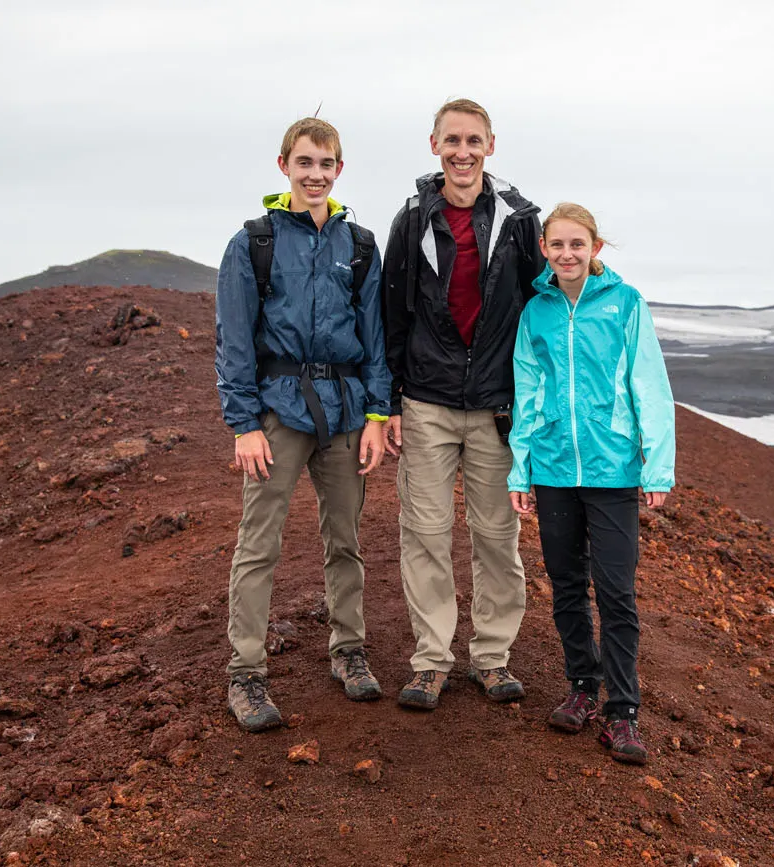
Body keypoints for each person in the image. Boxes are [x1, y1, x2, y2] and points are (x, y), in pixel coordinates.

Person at [215, 117, 391, 733]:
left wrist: (377, 414)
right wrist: (244, 424)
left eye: (326, 165)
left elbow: (376, 339)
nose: (315, 175)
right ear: (284, 164)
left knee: (345, 540)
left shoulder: (360, 245)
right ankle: (247, 674)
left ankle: (348, 652)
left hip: (345, 411)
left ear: (339, 169)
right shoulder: (253, 243)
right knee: (258, 544)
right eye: (305, 163)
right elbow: (233, 340)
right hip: (277, 412)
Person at [381, 98, 545, 710]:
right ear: (434, 146)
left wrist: (535, 400)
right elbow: (390, 316)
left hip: (499, 406)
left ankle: (493, 658)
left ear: (491, 146)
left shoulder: (518, 220)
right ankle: (431, 660)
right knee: (425, 532)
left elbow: (539, 309)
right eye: (452, 140)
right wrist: (388, 400)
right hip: (426, 400)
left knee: (497, 535)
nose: (462, 152)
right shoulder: (411, 221)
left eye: (473, 141)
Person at [507, 203, 675, 765]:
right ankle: (582, 686)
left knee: (617, 590)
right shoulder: (537, 312)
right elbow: (527, 392)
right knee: (566, 583)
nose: (567, 254)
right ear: (545, 251)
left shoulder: (624, 304)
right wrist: (520, 467)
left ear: (595, 248)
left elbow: (649, 385)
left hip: (612, 471)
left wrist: (657, 467)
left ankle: (622, 712)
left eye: (578, 244)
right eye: (557, 245)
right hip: (554, 469)